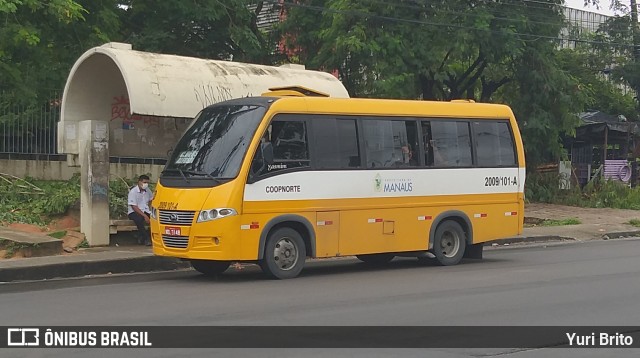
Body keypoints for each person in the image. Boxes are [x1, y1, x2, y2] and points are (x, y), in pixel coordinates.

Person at [127, 175, 153, 246]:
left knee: (155, 220)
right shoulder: (133, 192)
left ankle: (141, 236)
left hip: (146, 210)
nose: (146, 184)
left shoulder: (148, 191)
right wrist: (144, 216)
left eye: (147, 183)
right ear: (139, 182)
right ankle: (146, 238)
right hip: (134, 212)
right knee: (139, 220)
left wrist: (150, 209)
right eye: (144, 182)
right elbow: (134, 206)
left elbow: (151, 199)